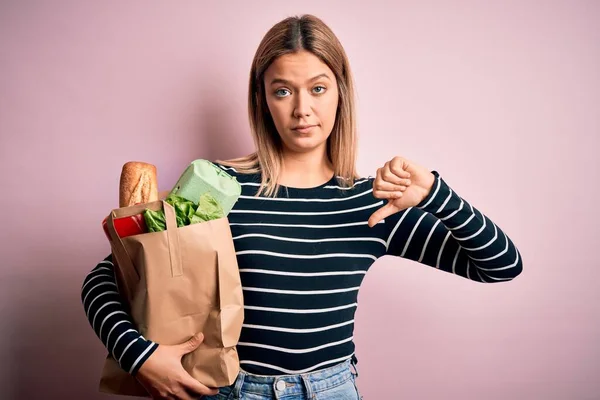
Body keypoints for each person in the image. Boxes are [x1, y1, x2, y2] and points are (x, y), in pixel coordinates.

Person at [81, 14, 523, 400]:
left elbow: (501, 265)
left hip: (333, 391)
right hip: (232, 391)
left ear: (340, 94)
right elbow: (109, 276)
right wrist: (139, 355)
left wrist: (432, 194)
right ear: (263, 101)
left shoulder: (371, 201)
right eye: (283, 91)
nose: (302, 110)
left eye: (317, 88)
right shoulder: (220, 188)